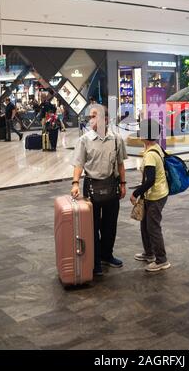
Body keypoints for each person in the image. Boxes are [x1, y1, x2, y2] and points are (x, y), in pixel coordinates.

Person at [71, 104, 128, 276]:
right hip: (91, 187)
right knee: (92, 226)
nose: (91, 119)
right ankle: (95, 261)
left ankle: (107, 255)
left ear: (105, 119)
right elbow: (79, 164)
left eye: (95, 116)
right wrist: (75, 183)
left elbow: (120, 164)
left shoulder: (116, 139)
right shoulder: (85, 140)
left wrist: (123, 183)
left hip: (111, 185)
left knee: (110, 225)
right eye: (90, 116)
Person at [130, 118, 170, 272]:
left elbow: (150, 180)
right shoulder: (154, 147)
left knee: (153, 227)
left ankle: (161, 260)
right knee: (144, 224)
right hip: (153, 194)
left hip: (156, 195)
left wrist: (135, 193)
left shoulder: (150, 155)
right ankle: (149, 253)